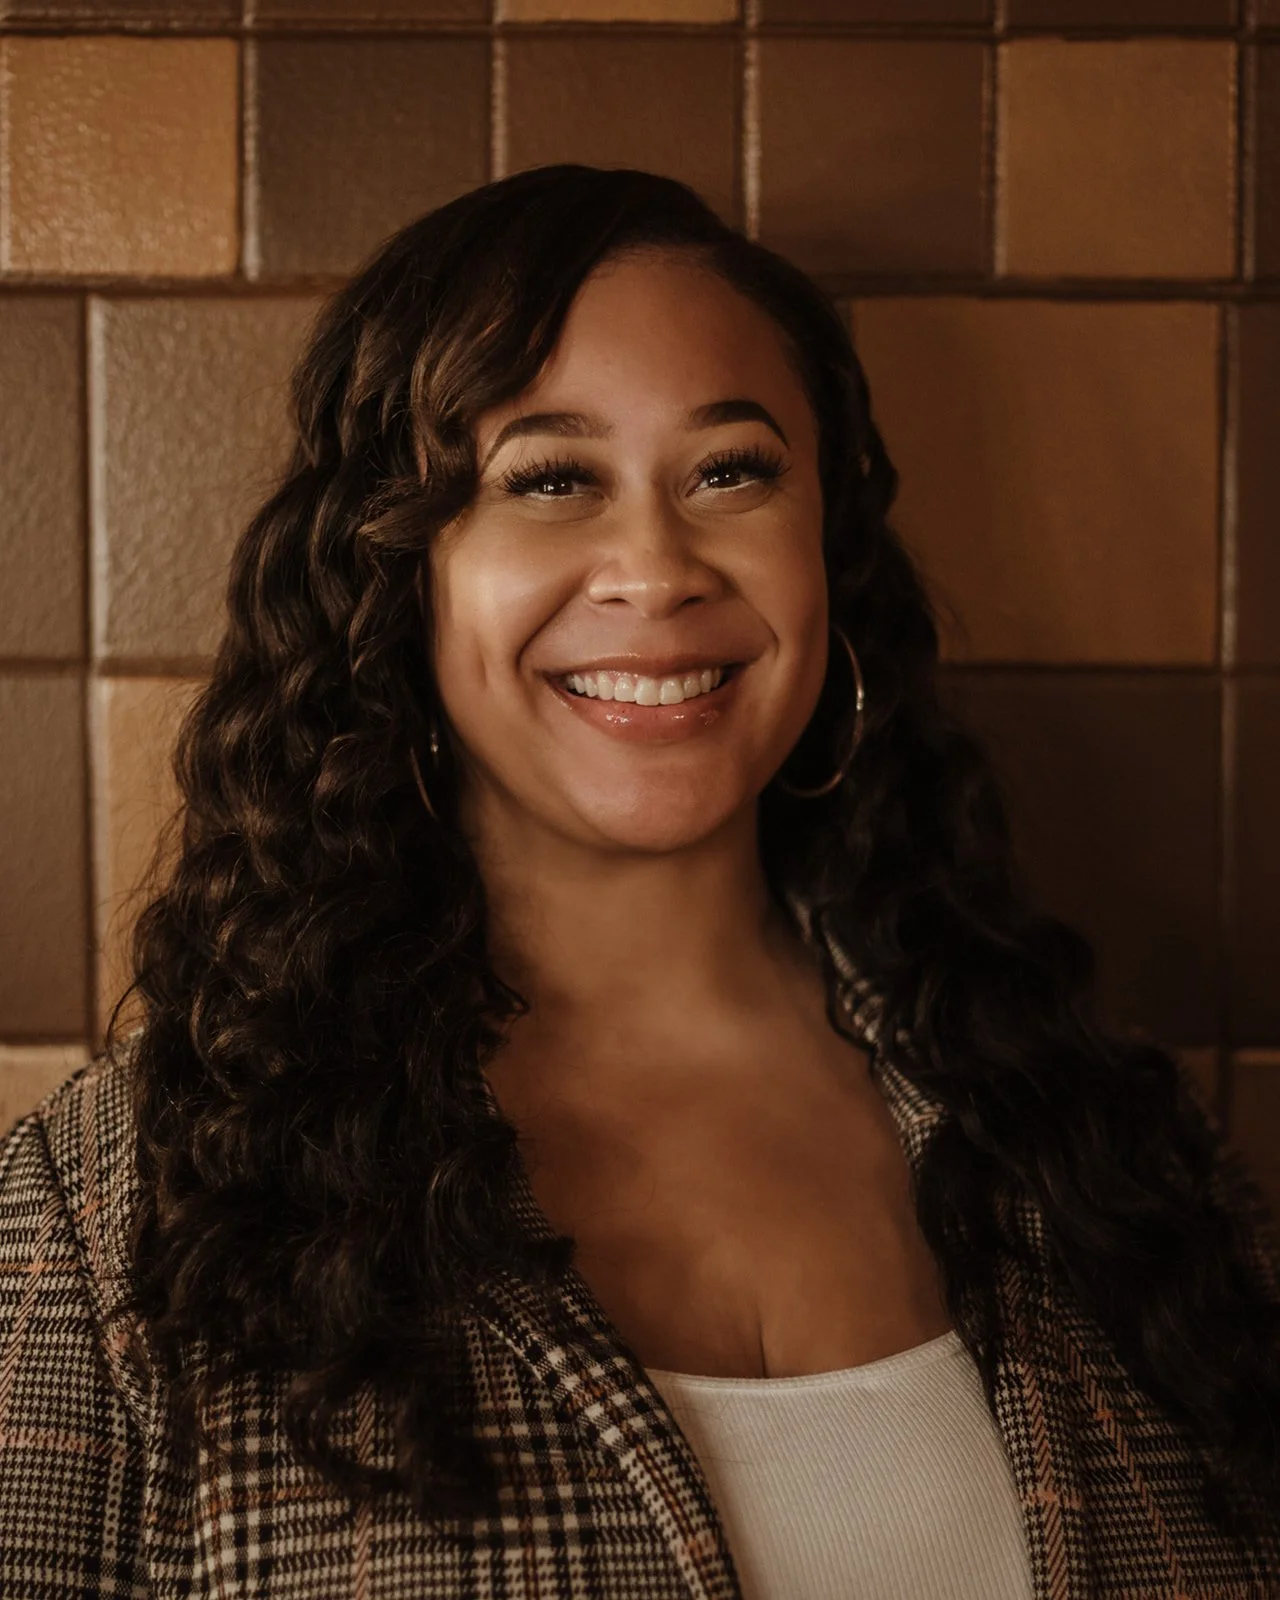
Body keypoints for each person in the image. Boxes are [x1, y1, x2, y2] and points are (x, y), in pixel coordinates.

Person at [0, 165, 1277, 1600]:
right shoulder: (112, 1217)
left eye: (732, 471)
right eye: (550, 480)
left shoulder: (1099, 1143)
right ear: (399, 578)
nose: (657, 570)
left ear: (828, 550)